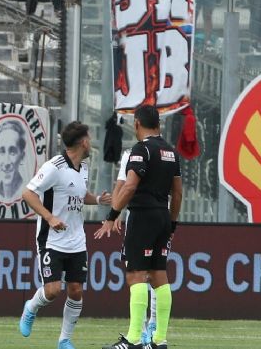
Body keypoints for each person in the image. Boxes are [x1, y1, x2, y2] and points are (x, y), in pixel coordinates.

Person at [95, 105, 182, 349]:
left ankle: (133, 340)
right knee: (159, 276)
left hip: (142, 217)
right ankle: (159, 340)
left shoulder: (140, 150)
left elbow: (130, 187)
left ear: (136, 124)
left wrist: (112, 215)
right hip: (163, 217)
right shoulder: (171, 152)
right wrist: (172, 223)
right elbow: (177, 194)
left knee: (136, 275)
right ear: (159, 125)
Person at [18, 121, 111, 349]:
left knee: (76, 290)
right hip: (51, 239)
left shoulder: (84, 168)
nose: (91, 143)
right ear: (84, 142)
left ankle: (64, 340)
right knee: (52, 290)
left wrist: (97, 199)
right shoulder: (54, 167)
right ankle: (31, 307)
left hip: (76, 239)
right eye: (89, 138)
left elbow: (79, 195)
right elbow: (28, 194)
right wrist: (49, 218)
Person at [112, 148, 156, 346]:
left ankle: (145, 331)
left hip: (140, 218)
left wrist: (113, 214)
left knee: (140, 272)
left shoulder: (135, 153)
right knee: (155, 272)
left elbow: (125, 186)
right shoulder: (167, 152)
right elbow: (121, 185)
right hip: (158, 217)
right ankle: (150, 330)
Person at [0, 120, 27, 199]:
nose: (6, 162)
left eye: (12, 152)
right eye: (2, 152)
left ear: (22, 157)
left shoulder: (26, 190)